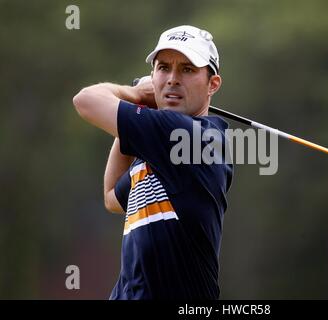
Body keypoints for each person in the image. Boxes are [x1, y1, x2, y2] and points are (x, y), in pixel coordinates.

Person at [73, 25, 233, 300]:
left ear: (213, 84)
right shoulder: (158, 147)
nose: (172, 79)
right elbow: (112, 197)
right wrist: (137, 119)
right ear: (153, 75)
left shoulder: (192, 137)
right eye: (163, 68)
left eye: (187, 69)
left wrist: (132, 94)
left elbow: (85, 100)